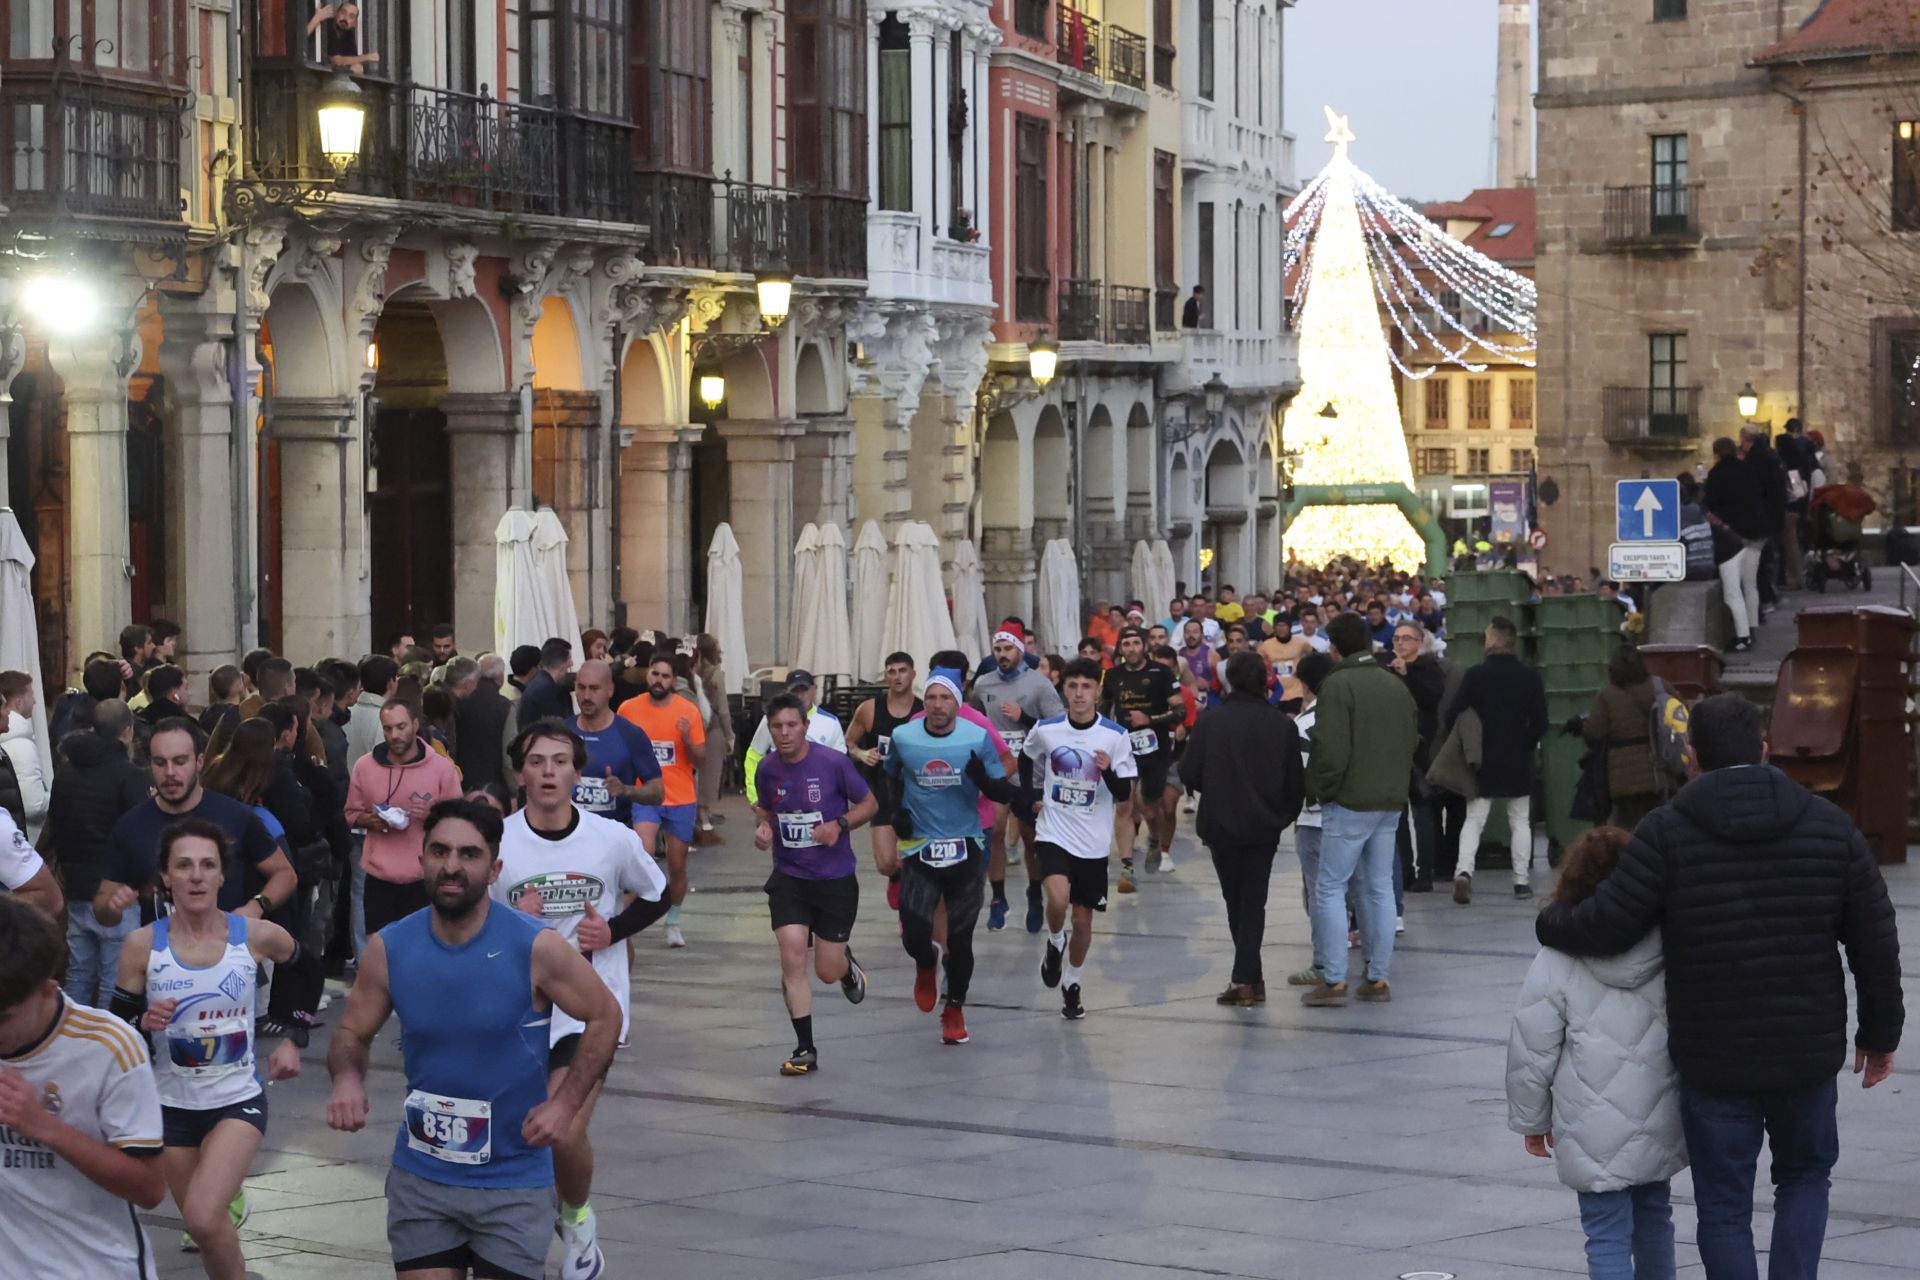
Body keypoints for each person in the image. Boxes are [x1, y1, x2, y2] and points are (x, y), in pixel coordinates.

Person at [1534, 695, 1903, 1280]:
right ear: (1763, 748)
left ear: (1693, 756)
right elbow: (1875, 943)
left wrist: (1550, 919)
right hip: (1805, 1052)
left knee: (1724, 1204)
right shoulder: (1830, 827)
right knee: (1805, 1178)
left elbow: (1609, 925)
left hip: (1714, 1059)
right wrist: (1880, 1034)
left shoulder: (1666, 832)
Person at [325, 799, 621, 1280]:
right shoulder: (390, 948)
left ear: (494, 868)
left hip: (513, 1183)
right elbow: (351, 1033)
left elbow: (605, 1015)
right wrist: (346, 1080)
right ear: (421, 859)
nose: (452, 866)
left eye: (469, 854)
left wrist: (564, 1105)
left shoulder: (535, 947)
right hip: (423, 1178)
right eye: (439, 851)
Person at [495, 723, 667, 1276]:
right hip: (517, 1009)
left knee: (563, 1126)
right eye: (537, 761)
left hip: (589, 1009)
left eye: (560, 761)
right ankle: (521, 1220)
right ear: (520, 773)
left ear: (578, 771)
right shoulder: (496, 841)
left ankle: (578, 1222)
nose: (548, 772)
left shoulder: (610, 839)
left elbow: (658, 893)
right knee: (519, 1130)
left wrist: (612, 932)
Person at [113, 819, 319, 1273]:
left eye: (208, 865)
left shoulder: (254, 935)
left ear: (223, 876)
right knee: (203, 1228)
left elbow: (307, 970)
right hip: (170, 1107)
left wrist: (294, 1037)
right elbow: (119, 1026)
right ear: (166, 875)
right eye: (183, 866)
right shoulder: (142, 946)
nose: (196, 876)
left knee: (206, 1216)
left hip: (236, 1102)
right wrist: (143, 1022)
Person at [1507, 826, 1685, 1280]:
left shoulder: (1558, 953)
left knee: (1605, 1233)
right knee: (1655, 1218)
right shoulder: (1670, 942)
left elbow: (1533, 1047)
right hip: (1660, 1108)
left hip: (1590, 1122)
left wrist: (1532, 1121)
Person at [0, 895, 167, 1279]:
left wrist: (43, 1126)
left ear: (47, 989)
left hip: (93, 1266)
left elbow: (149, 1188)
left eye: (3, 1017)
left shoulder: (109, 1048)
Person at [883, 670, 1016, 1046]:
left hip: (967, 847)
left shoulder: (975, 737)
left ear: (958, 704)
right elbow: (890, 776)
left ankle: (954, 1008)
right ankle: (926, 962)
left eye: (945, 699)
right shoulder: (904, 737)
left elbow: (1002, 790)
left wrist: (984, 782)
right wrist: (897, 813)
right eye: (931, 699)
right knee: (913, 933)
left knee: (960, 939)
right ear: (923, 703)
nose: (937, 706)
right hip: (920, 848)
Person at [752, 693, 878, 1074]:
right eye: (777, 727)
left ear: (805, 726)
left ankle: (846, 967)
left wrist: (838, 825)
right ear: (769, 730)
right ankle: (805, 1048)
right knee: (792, 956)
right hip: (790, 877)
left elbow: (870, 805)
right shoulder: (768, 769)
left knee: (825, 969)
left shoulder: (833, 763)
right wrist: (762, 828)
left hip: (834, 879)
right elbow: (766, 808)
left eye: (792, 725)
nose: (785, 733)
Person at [1300, 612, 1417, 1008]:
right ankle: (1377, 978)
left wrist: (1317, 789)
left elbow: (1331, 749)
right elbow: (1411, 738)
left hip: (1349, 801)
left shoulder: (1338, 684)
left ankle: (1333, 979)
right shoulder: (1394, 683)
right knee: (1379, 887)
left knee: (1330, 887)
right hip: (1390, 801)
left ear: (1334, 647)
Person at [1178, 650, 1304, 1007]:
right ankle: (1250, 978)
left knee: (1236, 900)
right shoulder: (1282, 725)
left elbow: (1189, 772)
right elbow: (1295, 782)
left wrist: (1217, 784)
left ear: (1228, 680)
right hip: (1264, 825)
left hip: (1221, 822)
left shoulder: (1211, 722)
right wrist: (1281, 816)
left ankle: (1246, 980)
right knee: (1254, 901)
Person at [94, 720, 297, 932]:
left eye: (180, 761)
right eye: (160, 763)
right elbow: (103, 907)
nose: (170, 772)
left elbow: (284, 873)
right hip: (162, 957)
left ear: (199, 761)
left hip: (229, 951)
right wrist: (112, 907)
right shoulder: (130, 826)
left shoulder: (236, 816)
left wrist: (256, 906)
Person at [1029, 658, 1136, 1021]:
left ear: (1097, 692)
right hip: (1054, 832)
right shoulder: (1047, 729)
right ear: (1064, 690)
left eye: (1086, 687)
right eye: (1072, 686)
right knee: (1057, 899)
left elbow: (1124, 794)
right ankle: (1055, 939)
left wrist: (1106, 771)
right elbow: (1028, 756)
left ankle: (1072, 982)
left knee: (1084, 920)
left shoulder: (1115, 736)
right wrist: (1031, 797)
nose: (1078, 694)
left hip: (1092, 842)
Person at [43, 700, 152, 1004]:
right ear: (127, 731)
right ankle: (110, 1045)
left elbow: (56, 824)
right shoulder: (128, 775)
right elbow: (138, 832)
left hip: (75, 885)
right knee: (114, 977)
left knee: (78, 972)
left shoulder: (66, 771)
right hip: (116, 889)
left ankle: (72, 1040)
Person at [1446, 617, 1548, 904]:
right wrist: (1525, 744)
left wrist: (1470, 744)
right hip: (1517, 756)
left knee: (1474, 819)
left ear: (1493, 640)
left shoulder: (1476, 675)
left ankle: (1464, 871)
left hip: (1482, 758)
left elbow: (1454, 712)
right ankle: (1521, 882)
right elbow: (1541, 722)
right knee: (1519, 821)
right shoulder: (1530, 676)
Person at [969, 624, 1065, 929]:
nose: (1002, 655)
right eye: (997, 649)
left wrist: (1023, 718)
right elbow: (972, 720)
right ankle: (998, 898)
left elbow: (1058, 728)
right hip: (997, 772)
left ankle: (1035, 893)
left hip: (1030, 774)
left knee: (1030, 838)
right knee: (995, 832)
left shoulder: (1039, 685)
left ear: (1021, 650)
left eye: (1008, 649)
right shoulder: (983, 684)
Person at [343, 700, 462, 936]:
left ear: (415, 725)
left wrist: (432, 813)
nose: (394, 735)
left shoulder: (441, 768)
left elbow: (459, 819)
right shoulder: (364, 766)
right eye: (387, 728)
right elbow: (351, 813)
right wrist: (370, 821)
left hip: (424, 877)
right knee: (380, 949)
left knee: (421, 947)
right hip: (378, 877)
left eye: (401, 727)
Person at [619, 654, 709, 948]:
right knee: (642, 849)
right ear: (648, 676)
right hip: (645, 793)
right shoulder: (629, 709)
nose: (659, 680)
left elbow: (700, 760)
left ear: (674, 680)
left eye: (665, 676)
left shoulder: (688, 711)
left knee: (677, 864)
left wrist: (685, 738)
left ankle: (673, 919)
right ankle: (628, 917)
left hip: (680, 795)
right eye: (655, 674)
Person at [1100, 626, 1183, 886]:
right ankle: (1127, 866)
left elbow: (1180, 711)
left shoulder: (1161, 673)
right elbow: (1103, 711)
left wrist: (1150, 719)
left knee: (1150, 805)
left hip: (1155, 748)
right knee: (1125, 804)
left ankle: (1155, 840)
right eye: (1127, 644)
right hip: (1125, 748)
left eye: (1136, 643)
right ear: (1121, 648)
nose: (1132, 649)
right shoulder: (1112, 675)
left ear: (1144, 646)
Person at [845, 652, 922, 904]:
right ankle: (897, 876)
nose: (897, 676)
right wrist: (861, 753)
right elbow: (848, 743)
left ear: (912, 674)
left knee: (919, 858)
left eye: (902, 670)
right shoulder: (869, 709)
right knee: (886, 862)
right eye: (892, 671)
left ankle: (912, 903)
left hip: (915, 794)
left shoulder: (922, 710)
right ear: (886, 676)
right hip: (881, 793)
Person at [1284, 652, 1338, 987]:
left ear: (1306, 684)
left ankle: (1323, 961)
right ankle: (1374, 963)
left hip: (1314, 818)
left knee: (1320, 893)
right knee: (1364, 889)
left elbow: (1300, 773)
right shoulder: (1352, 713)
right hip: (1355, 814)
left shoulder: (1304, 723)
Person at [1387, 621, 1445, 901]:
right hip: (1394, 748)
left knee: (1422, 813)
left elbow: (1429, 699)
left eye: (1407, 638)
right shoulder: (1388, 669)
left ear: (1419, 643)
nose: (1400, 643)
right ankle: (1405, 870)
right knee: (1397, 816)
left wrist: (1407, 674)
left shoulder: (1428, 668)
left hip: (1421, 749)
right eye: (1397, 638)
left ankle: (1425, 872)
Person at [568, 660, 664, 829]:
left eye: (594, 688)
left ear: (610, 690)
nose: (587, 696)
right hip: (567, 838)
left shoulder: (630, 734)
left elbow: (657, 792)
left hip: (614, 839)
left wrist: (626, 790)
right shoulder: (561, 733)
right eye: (581, 688)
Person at [1582, 647, 1664, 831]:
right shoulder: (1659, 687)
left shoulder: (1607, 696)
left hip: (1625, 777)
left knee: (1629, 830)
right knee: (1660, 825)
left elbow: (1593, 734)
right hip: (1661, 770)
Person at [1704, 436, 1767, 652]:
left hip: (1732, 539)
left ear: (1717, 453)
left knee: (1732, 590)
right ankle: (1752, 626)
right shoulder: (1748, 469)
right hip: (1756, 534)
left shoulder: (1717, 474)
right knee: (1750, 584)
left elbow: (1709, 504)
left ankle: (1742, 637)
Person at [451, 653, 515, 797]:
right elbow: (508, 756)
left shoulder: (458, 700)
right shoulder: (504, 706)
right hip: (493, 786)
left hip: (460, 781)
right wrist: (514, 791)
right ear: (500, 678)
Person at [691, 635, 733, 843]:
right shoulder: (716, 674)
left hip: (694, 729)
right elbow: (723, 709)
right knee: (711, 776)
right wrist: (730, 735)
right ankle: (705, 820)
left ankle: (700, 819)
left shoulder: (693, 673)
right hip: (713, 728)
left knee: (697, 775)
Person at [0, 671, 48, 840]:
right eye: (31, 695)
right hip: (26, 835)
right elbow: (33, 805)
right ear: (18, 702)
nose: (35, 701)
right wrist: (57, 796)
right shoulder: (22, 746)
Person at [517, 638, 576, 729]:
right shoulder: (548, 690)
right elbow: (558, 727)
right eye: (569, 658)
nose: (571, 663)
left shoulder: (540, 683)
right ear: (562, 664)